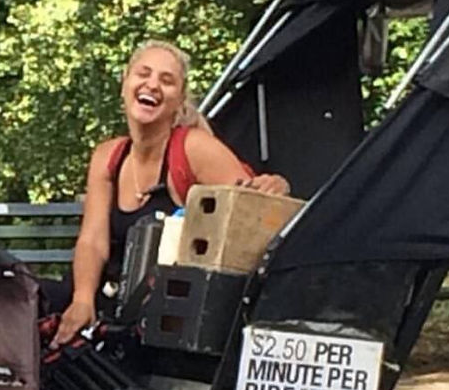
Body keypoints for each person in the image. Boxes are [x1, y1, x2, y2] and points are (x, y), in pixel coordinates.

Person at [48, 39, 289, 347]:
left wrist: (277, 187)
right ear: (125, 82)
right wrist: (82, 300)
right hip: (99, 300)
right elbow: (93, 240)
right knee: (4, 289)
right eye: (143, 74)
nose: (152, 85)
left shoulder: (194, 148)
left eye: (166, 80)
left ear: (179, 100)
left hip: (163, 318)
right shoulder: (107, 156)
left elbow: (253, 209)